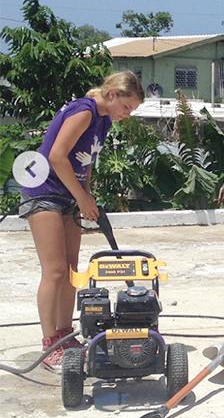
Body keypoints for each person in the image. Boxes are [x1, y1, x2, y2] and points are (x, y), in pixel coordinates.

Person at [18, 71, 144, 371]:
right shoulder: (84, 111)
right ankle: (50, 343)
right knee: (55, 271)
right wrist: (81, 198)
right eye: (127, 108)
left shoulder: (102, 120)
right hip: (45, 191)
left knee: (72, 270)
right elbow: (57, 156)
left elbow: (84, 163)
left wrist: (86, 196)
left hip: (70, 194)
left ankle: (65, 335)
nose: (126, 115)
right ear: (112, 94)